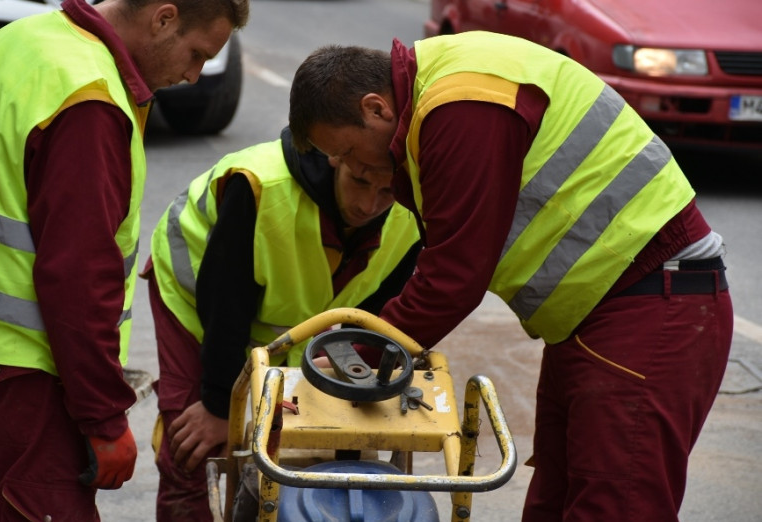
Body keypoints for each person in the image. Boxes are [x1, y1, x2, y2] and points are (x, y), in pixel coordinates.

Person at [287, 32, 733, 522]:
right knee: (554, 502)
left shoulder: (461, 104)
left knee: (616, 503)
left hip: (651, 304)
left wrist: (361, 355)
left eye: (348, 152)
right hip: (598, 315)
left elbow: (453, 278)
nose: (350, 167)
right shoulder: (440, 92)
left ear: (375, 109)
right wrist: (361, 345)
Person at [0, 0, 248, 519]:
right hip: (32, 372)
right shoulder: (90, 103)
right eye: (196, 54)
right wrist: (105, 420)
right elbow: (79, 281)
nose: (194, 76)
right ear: (164, 17)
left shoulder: (21, 40)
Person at [142, 126, 421, 521]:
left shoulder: (410, 210)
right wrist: (220, 406)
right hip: (197, 300)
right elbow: (225, 301)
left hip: (284, 325)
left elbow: (377, 307)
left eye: (386, 193)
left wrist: (351, 360)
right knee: (195, 446)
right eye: (359, 182)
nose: (368, 204)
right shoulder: (260, 187)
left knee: (297, 435)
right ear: (336, 157)